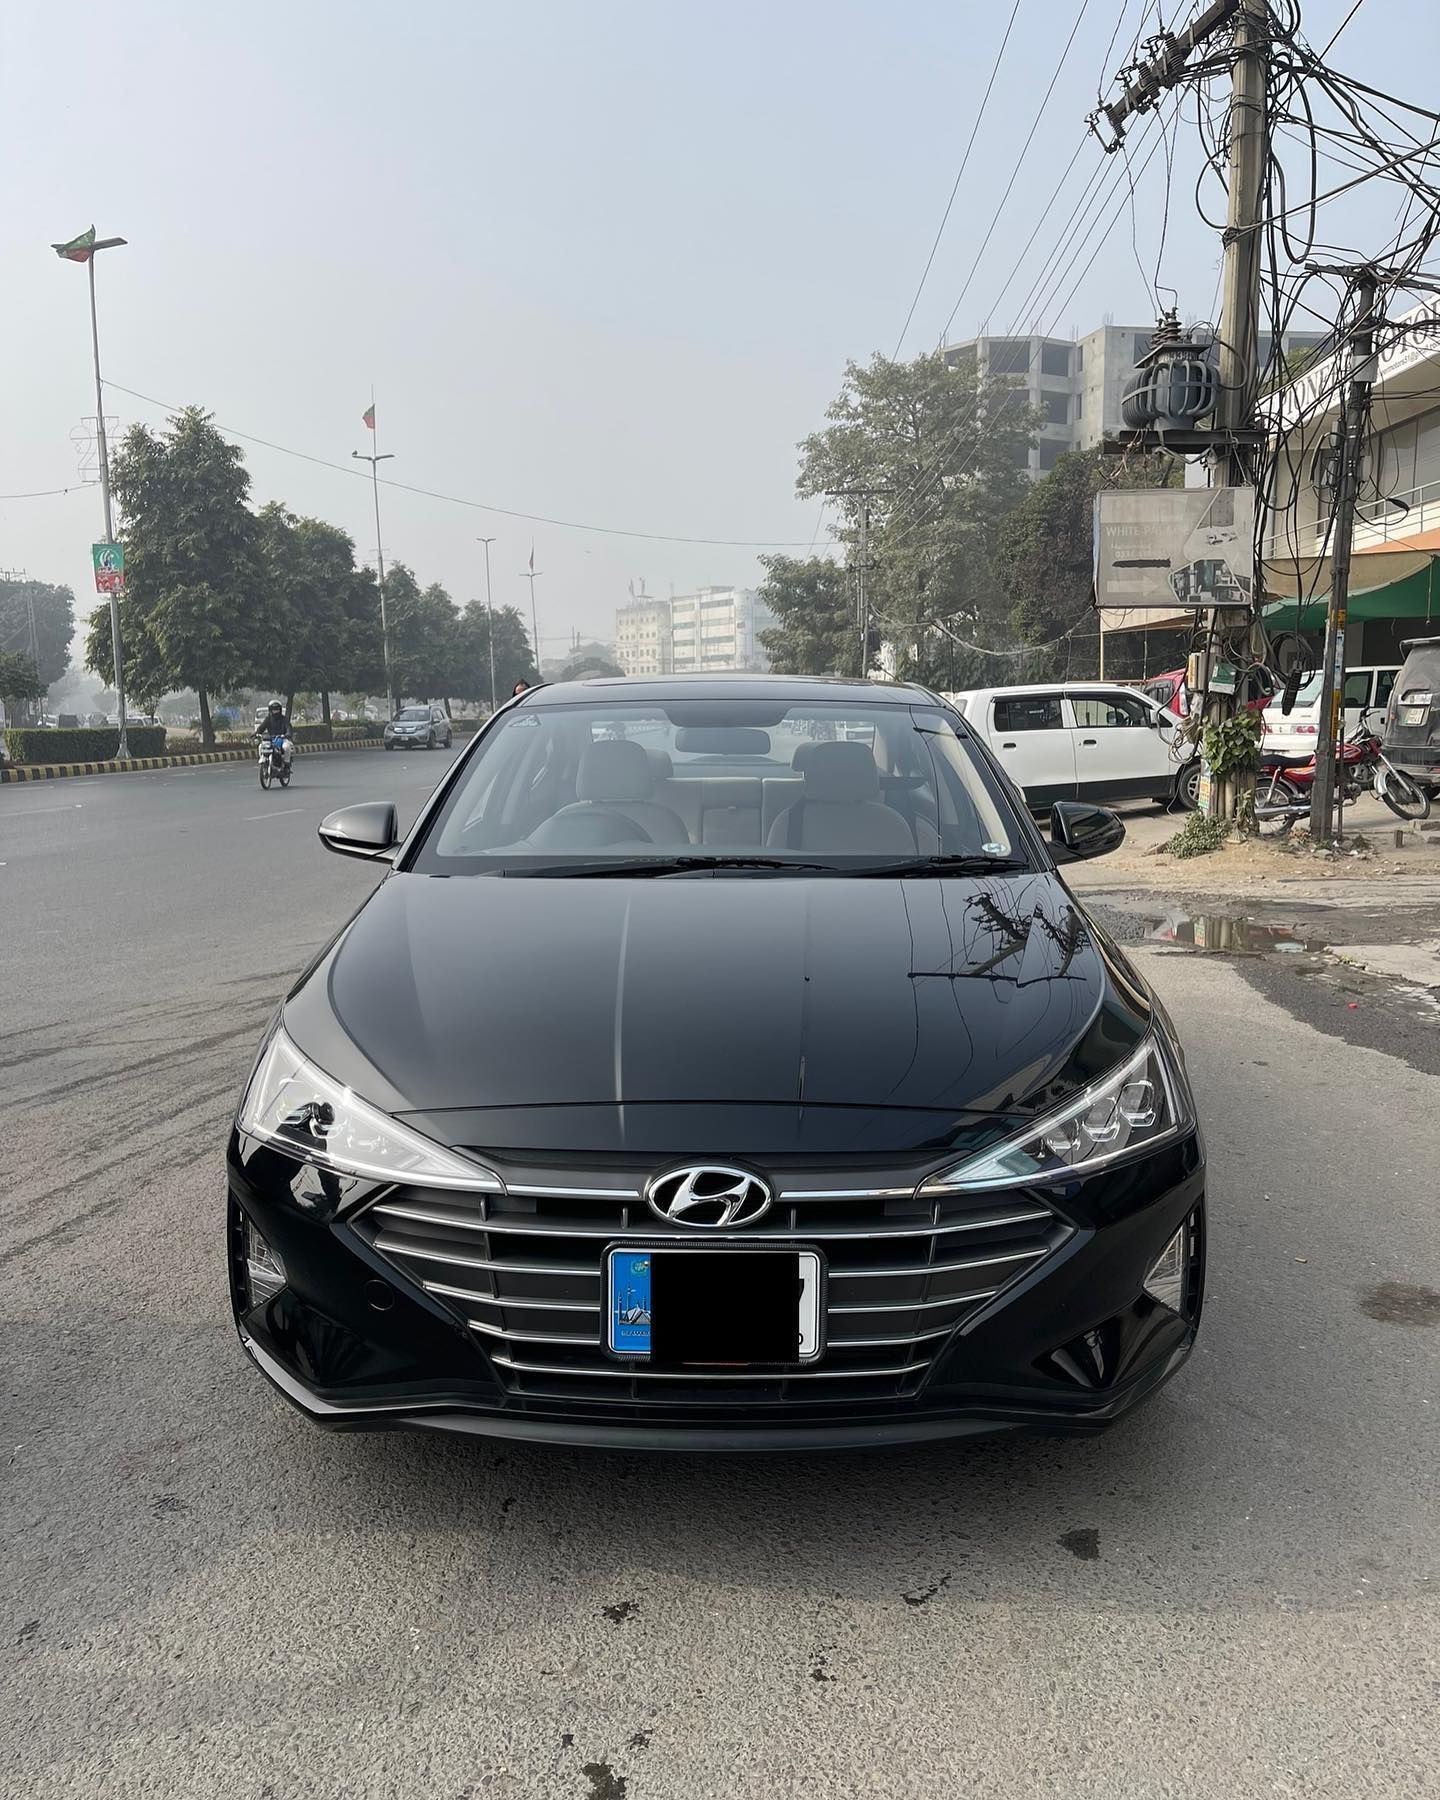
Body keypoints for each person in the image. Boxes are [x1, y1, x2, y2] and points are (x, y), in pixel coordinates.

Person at [255, 700, 294, 768]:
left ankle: (286, 764)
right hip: (271, 739)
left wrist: (287, 734)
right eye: (273, 709)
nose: (275, 711)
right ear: (270, 710)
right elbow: (261, 728)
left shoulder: (284, 719)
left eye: (277, 709)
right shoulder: (268, 719)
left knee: (286, 747)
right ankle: (263, 759)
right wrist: (256, 734)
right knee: (261, 746)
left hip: (282, 738)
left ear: (280, 710)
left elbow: (288, 728)